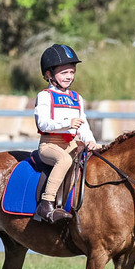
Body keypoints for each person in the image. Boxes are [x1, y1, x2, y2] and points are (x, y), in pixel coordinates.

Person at [33, 44, 98, 224]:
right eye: (64, 73)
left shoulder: (77, 98)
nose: (69, 76)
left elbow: (83, 125)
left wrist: (91, 141)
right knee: (64, 160)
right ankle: (46, 203)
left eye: (72, 72)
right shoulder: (45, 96)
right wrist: (66, 124)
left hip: (72, 143)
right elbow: (42, 123)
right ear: (49, 74)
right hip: (50, 145)